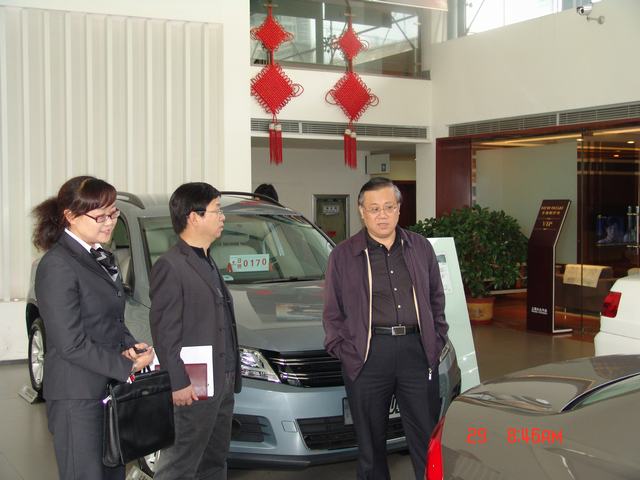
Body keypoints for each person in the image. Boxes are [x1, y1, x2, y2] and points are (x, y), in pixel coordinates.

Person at [322, 177, 449, 480]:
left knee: (426, 438)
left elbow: (436, 298)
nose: (382, 215)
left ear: (399, 209)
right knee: (370, 445)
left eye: (389, 207)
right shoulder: (344, 255)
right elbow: (332, 312)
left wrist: (436, 340)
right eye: (374, 208)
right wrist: (347, 352)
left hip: (416, 353)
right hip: (368, 356)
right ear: (361, 211)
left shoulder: (419, 247)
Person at [33, 175, 154, 480]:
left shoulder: (100, 256)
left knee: (112, 471)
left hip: (107, 389)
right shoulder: (58, 265)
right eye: (100, 216)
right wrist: (125, 366)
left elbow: (109, 319)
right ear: (70, 216)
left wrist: (131, 345)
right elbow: (70, 342)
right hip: (77, 396)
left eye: (113, 214)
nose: (109, 223)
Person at [150, 182, 241, 480]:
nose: (222, 217)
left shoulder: (207, 260)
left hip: (222, 379)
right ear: (194, 217)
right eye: (217, 211)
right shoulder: (171, 265)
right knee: (179, 464)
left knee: (214, 461)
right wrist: (178, 382)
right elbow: (165, 332)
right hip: (193, 384)